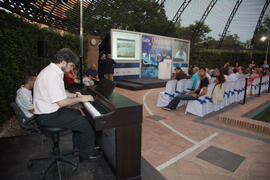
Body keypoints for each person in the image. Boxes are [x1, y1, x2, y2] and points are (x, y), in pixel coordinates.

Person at [33, 48, 102, 161]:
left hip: (49, 112)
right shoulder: (52, 75)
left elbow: (63, 93)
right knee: (84, 122)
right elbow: (62, 102)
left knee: (76, 113)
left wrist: (75, 96)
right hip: (47, 116)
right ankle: (88, 153)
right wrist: (81, 98)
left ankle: (78, 148)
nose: (72, 69)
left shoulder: (53, 71)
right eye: (71, 66)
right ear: (64, 62)